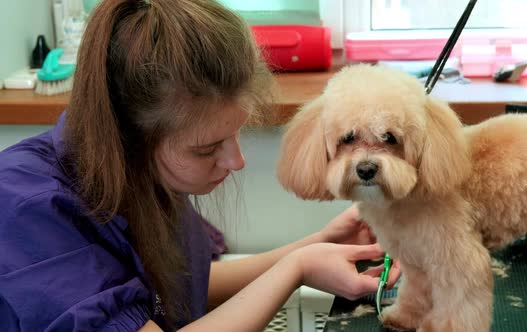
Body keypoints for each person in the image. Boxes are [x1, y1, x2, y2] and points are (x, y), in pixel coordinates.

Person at [0, 0, 401, 331]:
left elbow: (178, 288)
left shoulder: (141, 172)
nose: (236, 161)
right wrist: (294, 269)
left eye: (235, 135)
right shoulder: (28, 211)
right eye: (207, 149)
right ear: (128, 136)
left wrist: (315, 245)